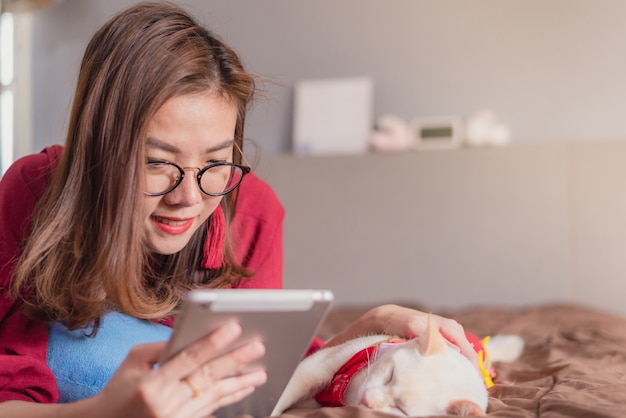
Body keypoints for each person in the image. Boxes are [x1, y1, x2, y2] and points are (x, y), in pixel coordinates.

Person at [0, 2, 477, 417]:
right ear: (99, 150)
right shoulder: (32, 191)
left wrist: (362, 331)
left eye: (217, 161)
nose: (188, 197)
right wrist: (103, 414)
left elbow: (263, 381)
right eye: (157, 163)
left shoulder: (253, 213)